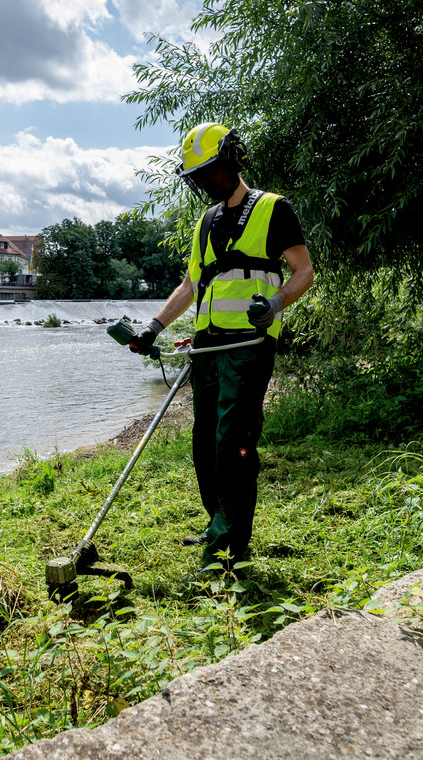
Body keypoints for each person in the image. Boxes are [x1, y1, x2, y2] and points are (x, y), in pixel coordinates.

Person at [128, 122, 314, 580]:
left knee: (234, 444)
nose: (207, 183)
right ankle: (219, 521)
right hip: (208, 347)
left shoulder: (274, 209)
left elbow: (304, 272)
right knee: (204, 444)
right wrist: (153, 326)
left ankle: (231, 548)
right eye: (199, 178)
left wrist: (274, 304)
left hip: (250, 344)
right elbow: (192, 283)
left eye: (211, 172)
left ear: (233, 162)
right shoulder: (206, 222)